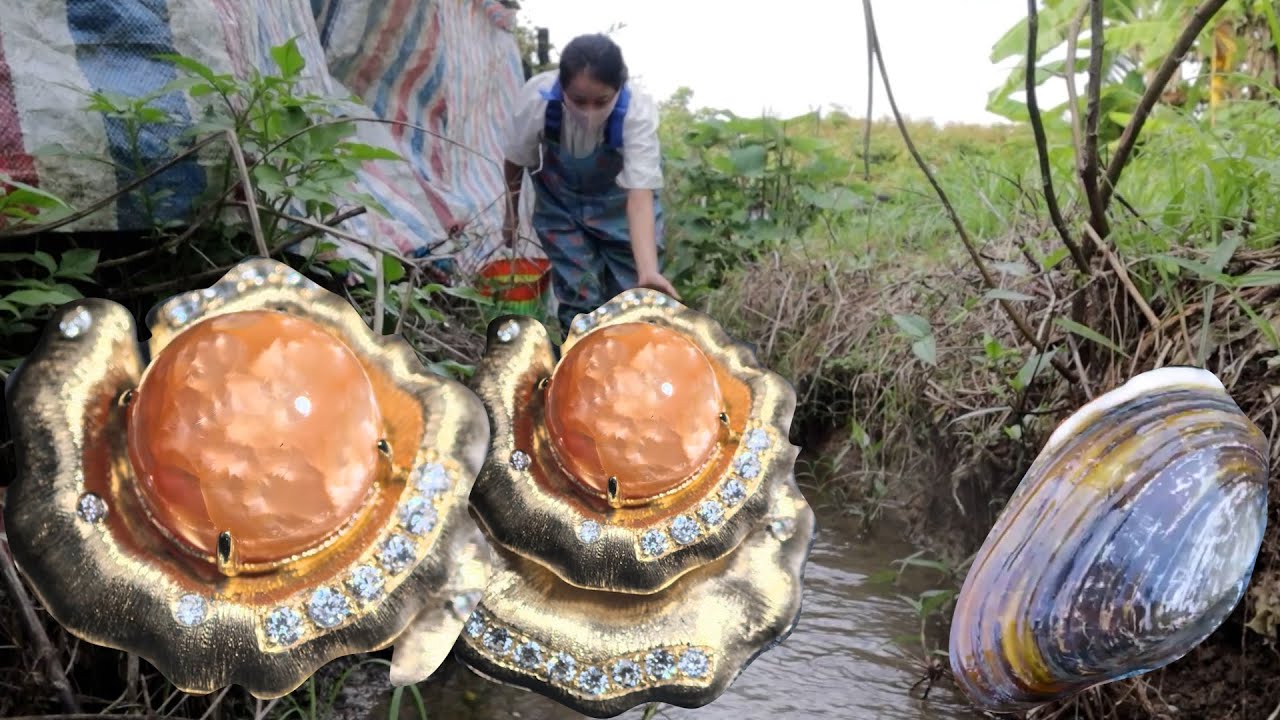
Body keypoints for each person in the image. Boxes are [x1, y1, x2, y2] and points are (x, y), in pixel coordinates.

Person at [500, 33, 679, 337]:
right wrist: (511, 216)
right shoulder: (537, 100)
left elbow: (639, 196)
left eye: (601, 101)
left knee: (632, 298)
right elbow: (515, 161)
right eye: (579, 101)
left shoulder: (636, 114)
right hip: (561, 208)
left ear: (618, 89)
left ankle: (630, 367)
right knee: (579, 293)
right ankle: (581, 365)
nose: (589, 113)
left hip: (620, 210)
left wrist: (648, 270)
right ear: (562, 87)